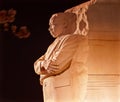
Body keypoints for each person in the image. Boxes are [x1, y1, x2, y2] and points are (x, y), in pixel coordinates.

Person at [34, 12, 89, 102]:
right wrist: (44, 64)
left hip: (62, 88)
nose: (50, 29)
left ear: (65, 24)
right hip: (50, 88)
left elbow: (56, 65)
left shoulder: (72, 39)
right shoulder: (52, 45)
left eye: (53, 25)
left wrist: (43, 68)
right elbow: (36, 64)